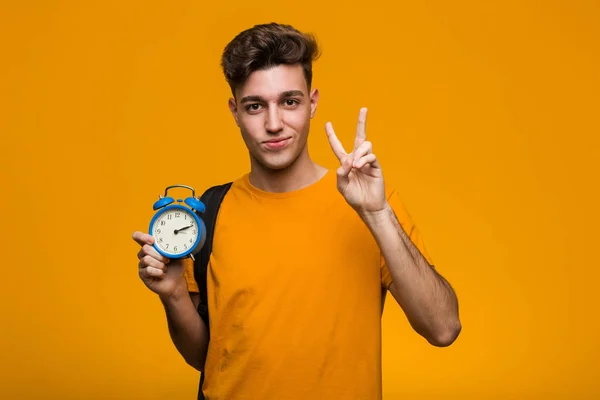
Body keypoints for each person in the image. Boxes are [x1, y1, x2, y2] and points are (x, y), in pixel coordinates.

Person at [132, 22, 461, 399]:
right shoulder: (210, 211)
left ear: (313, 102)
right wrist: (173, 294)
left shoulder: (370, 205)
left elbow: (443, 328)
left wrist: (376, 213)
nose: (274, 124)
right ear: (235, 112)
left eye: (290, 101)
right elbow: (209, 358)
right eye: (255, 106)